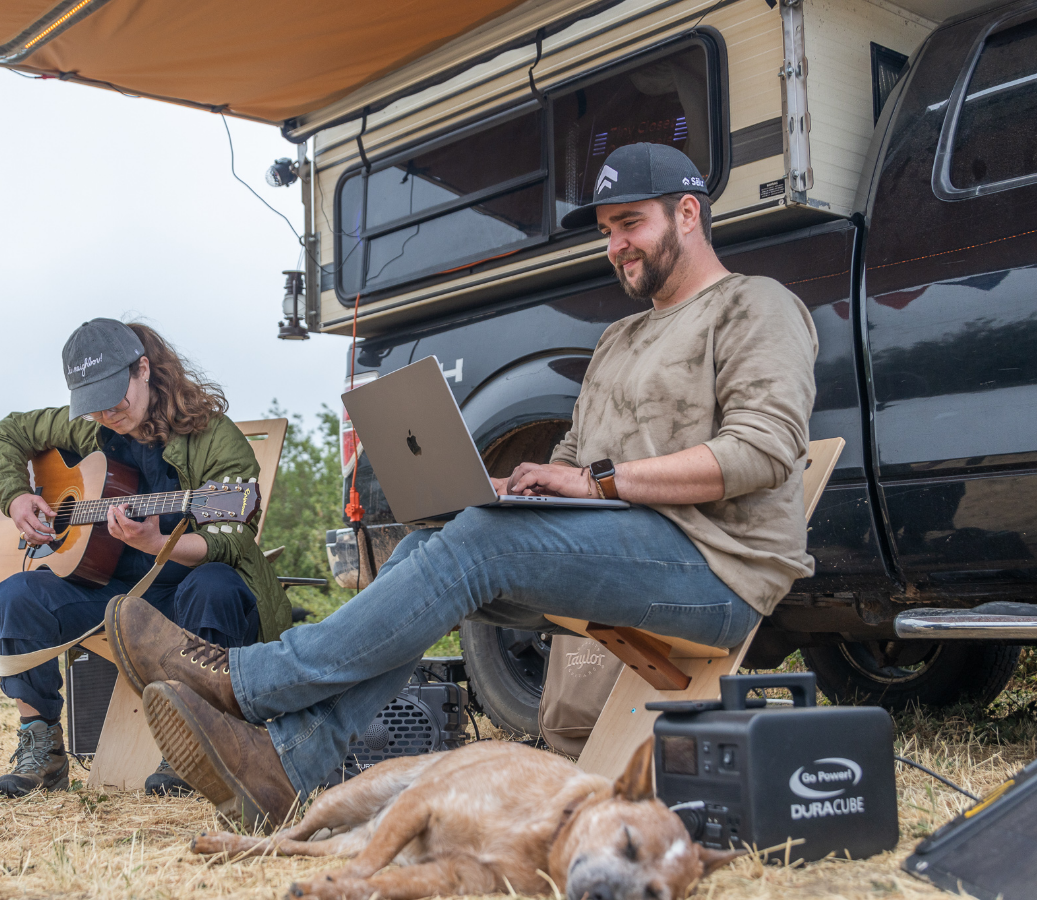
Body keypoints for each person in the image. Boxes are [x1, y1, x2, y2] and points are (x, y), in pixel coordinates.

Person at [107, 142, 820, 828]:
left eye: (631, 223)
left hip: (716, 571)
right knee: (432, 545)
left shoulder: (756, 306)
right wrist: (524, 485)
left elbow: (762, 450)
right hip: (628, 554)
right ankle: (286, 767)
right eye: (607, 231)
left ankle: (251, 680)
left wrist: (596, 482)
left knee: (483, 542)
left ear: (688, 214)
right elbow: (574, 459)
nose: (617, 245)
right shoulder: (619, 340)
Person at [0, 318, 289, 798]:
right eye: (93, 405)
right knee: (15, 595)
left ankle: (195, 741)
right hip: (103, 591)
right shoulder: (86, 427)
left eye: (114, 399)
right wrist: (17, 497)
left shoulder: (214, 438)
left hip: (180, 594)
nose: (105, 414)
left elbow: (232, 539)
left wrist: (154, 544)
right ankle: (40, 746)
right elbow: (4, 435)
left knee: (217, 585)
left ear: (143, 369)